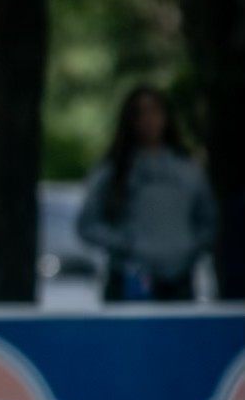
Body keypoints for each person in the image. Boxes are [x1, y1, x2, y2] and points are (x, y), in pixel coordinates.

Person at [77, 85, 218, 301]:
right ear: (129, 121)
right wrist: (125, 243)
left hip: (179, 278)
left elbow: (208, 221)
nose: (148, 120)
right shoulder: (113, 171)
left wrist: (188, 249)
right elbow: (87, 224)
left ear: (166, 117)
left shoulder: (188, 169)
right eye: (139, 113)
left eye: (154, 111)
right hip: (129, 277)